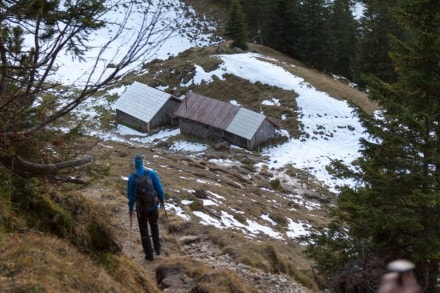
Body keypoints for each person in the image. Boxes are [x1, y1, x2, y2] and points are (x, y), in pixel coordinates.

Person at [127, 154, 165, 261]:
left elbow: (130, 197)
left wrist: (130, 209)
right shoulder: (151, 173)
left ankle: (149, 255)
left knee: (144, 231)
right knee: (154, 225)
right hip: (153, 206)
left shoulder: (132, 177)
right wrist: (162, 201)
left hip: (141, 209)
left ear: (135, 163)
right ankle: (157, 249)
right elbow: (160, 190)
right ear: (143, 162)